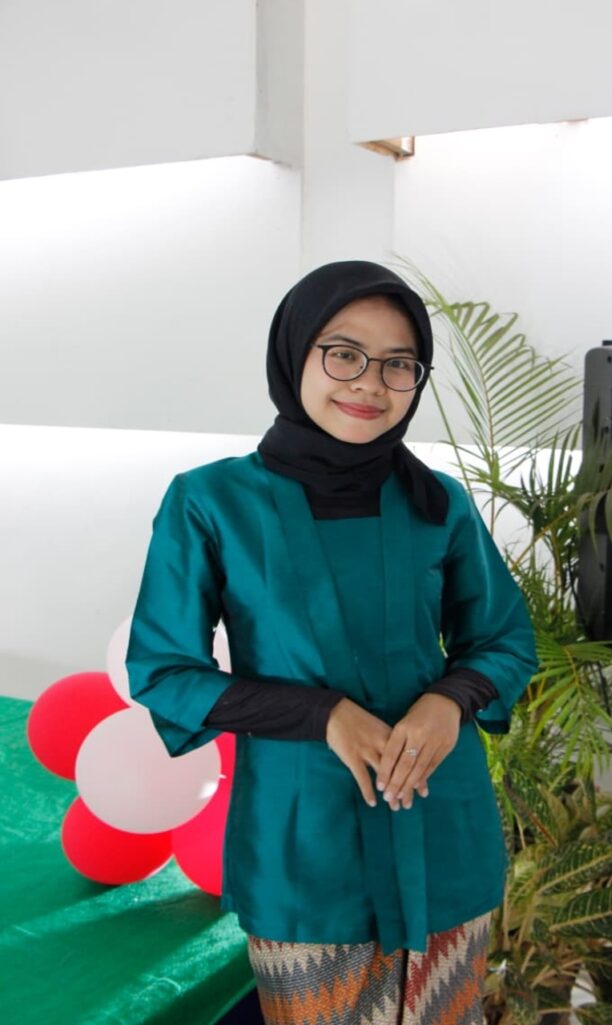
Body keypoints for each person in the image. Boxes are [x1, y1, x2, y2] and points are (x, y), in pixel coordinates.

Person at [126, 260, 537, 1025]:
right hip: (306, 845)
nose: (370, 383)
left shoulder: (438, 502)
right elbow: (164, 670)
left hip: (443, 829)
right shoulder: (211, 502)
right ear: (294, 353)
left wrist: (452, 700)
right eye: (344, 353)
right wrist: (324, 715)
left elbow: (504, 637)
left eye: (398, 364)